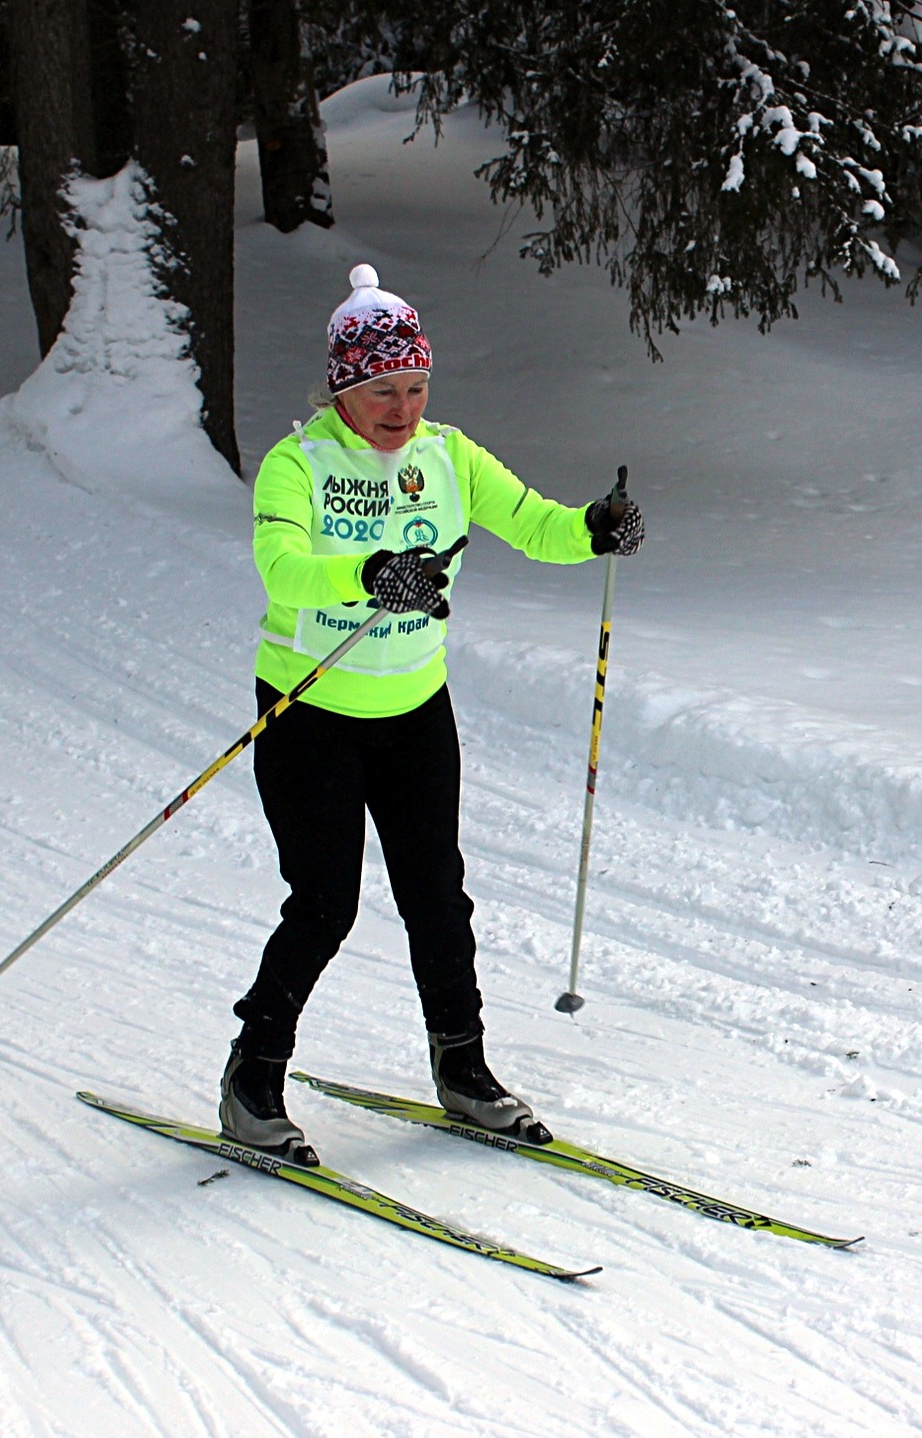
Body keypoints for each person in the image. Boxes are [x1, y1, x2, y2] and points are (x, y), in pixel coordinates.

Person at [219, 264, 644, 1162]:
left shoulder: (449, 457)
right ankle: (253, 1076)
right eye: (383, 390)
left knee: (436, 895)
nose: (402, 408)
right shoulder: (298, 466)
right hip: (309, 708)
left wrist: (595, 525)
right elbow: (283, 571)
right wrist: (369, 574)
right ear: (344, 386)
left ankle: (463, 1068)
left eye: (415, 387)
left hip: (413, 705)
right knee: (326, 902)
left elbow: (535, 523)